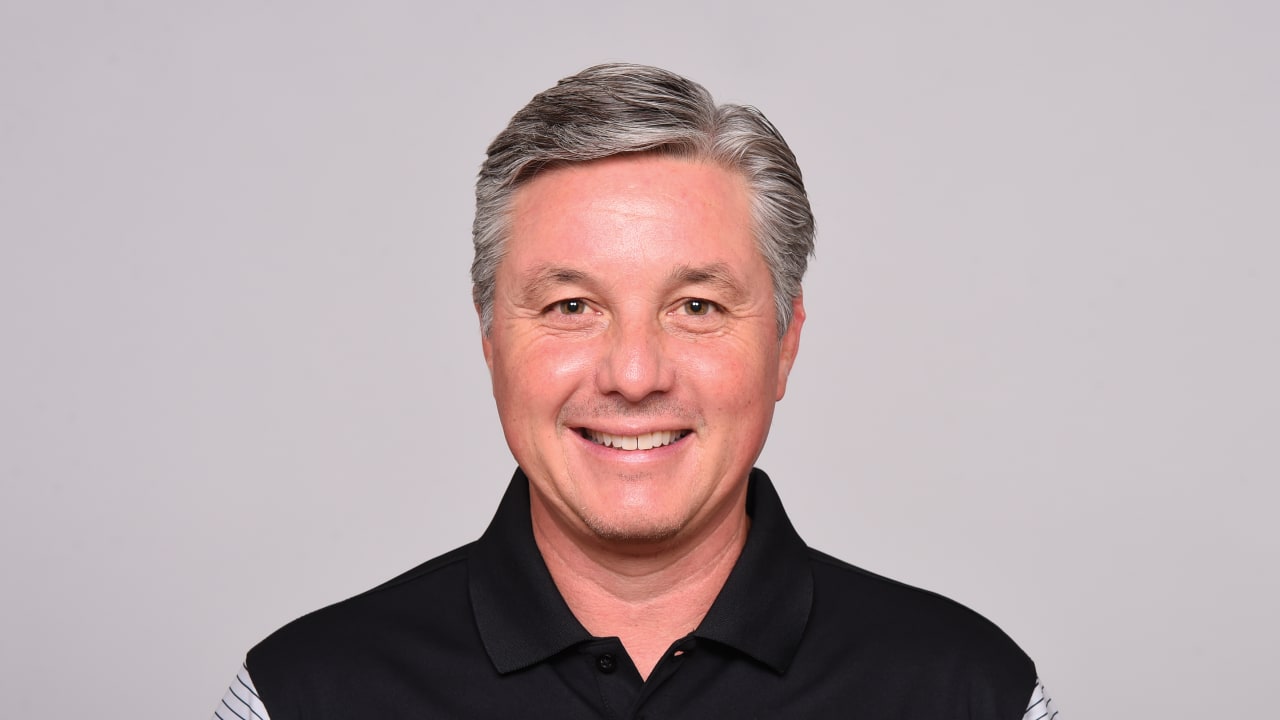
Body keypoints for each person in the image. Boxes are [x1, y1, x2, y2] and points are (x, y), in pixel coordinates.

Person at [214, 63, 1059, 720]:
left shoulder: (972, 694)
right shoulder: (300, 696)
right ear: (489, 338)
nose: (633, 374)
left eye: (696, 307)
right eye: (571, 306)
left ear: (785, 342)